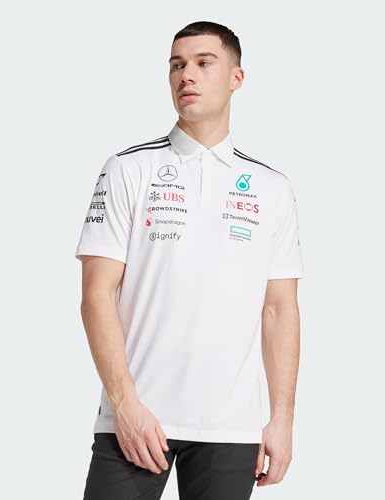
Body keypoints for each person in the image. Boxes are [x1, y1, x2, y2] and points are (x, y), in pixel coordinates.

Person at [75, 20, 305, 500]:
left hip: (230, 427)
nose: (187, 76)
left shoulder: (272, 188)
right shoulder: (128, 169)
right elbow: (96, 294)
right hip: (135, 421)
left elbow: (279, 309)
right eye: (177, 65)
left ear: (237, 77)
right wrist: (125, 404)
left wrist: (282, 419)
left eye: (204, 63)